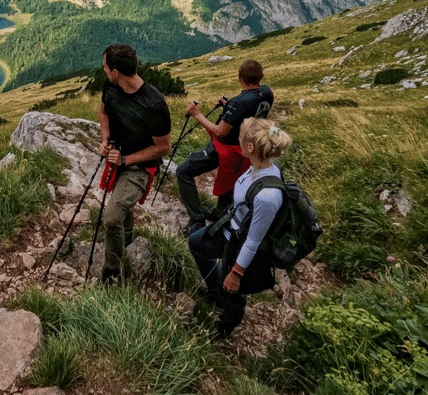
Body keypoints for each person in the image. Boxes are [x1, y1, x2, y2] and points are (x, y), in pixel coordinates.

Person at [187, 118, 293, 338]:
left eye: (241, 138)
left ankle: (226, 325)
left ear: (250, 147)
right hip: (231, 228)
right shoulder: (258, 167)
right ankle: (217, 292)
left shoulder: (268, 195)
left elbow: (253, 240)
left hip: (240, 244)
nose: (238, 141)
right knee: (196, 243)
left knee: (233, 291)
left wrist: (236, 273)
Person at [98, 44, 171, 284]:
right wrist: (106, 139)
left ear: (116, 71)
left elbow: (163, 148)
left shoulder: (154, 104)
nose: (104, 69)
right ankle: (126, 239)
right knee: (121, 208)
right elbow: (104, 113)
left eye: (106, 66)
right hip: (118, 157)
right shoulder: (110, 86)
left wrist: (126, 159)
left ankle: (112, 273)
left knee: (111, 218)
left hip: (140, 167)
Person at [176, 59, 274, 235]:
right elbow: (246, 111)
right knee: (231, 183)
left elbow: (220, 132)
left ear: (239, 76)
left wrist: (197, 114)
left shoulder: (239, 102)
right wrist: (227, 107)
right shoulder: (266, 92)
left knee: (183, 171)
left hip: (227, 149)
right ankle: (220, 215)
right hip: (246, 149)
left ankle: (197, 221)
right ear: (262, 76)